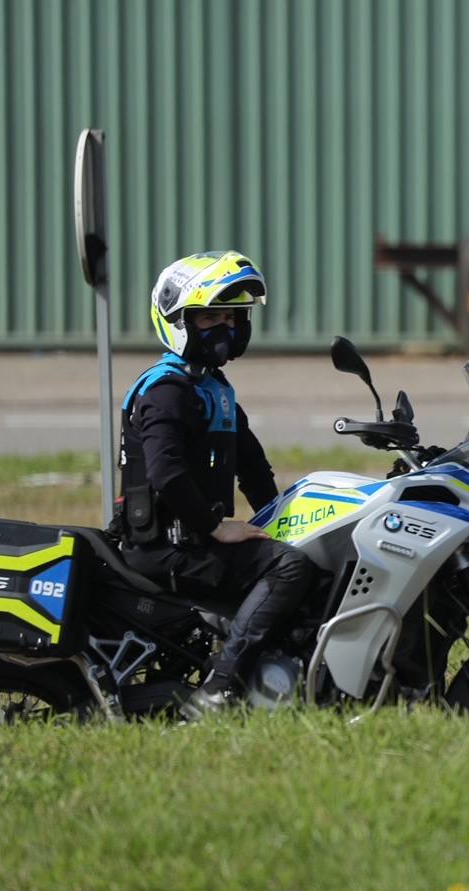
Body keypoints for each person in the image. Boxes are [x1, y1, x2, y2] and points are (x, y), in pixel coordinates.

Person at [117, 250, 314, 719]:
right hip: (166, 545)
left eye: (231, 316)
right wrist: (216, 525)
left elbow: (253, 466)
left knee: (306, 553)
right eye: (210, 317)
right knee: (289, 569)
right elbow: (165, 472)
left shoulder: (213, 388)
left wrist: (283, 518)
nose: (224, 328)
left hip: (191, 538)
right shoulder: (166, 389)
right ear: (178, 319)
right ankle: (222, 688)